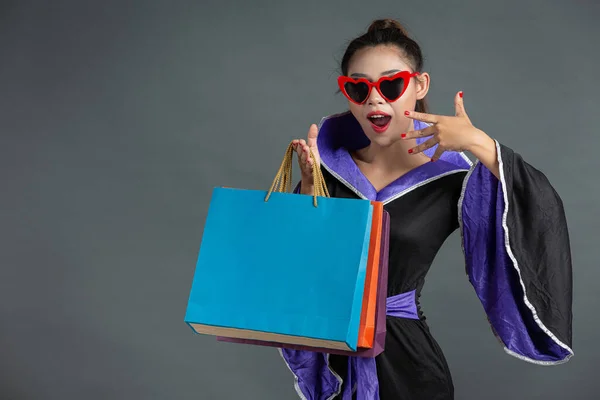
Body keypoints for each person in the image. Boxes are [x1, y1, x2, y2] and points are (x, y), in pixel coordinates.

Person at [281, 18, 574, 400]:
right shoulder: (327, 166)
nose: (375, 99)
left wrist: (477, 142)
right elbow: (293, 263)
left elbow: (539, 212)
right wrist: (307, 187)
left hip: (410, 367)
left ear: (419, 85)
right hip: (337, 355)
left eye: (391, 84)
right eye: (358, 87)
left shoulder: (452, 179)